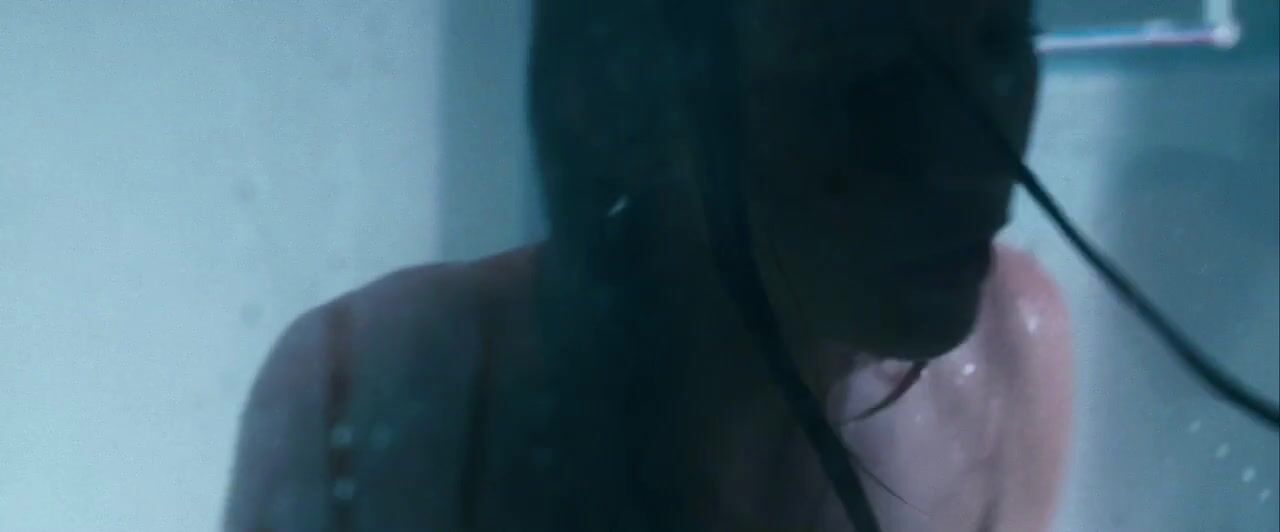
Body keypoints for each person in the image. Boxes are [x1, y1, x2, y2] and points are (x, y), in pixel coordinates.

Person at [222, 0, 1073, 530]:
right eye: (863, 80)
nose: (978, 156)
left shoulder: (1010, 354)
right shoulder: (384, 393)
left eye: (1002, 40)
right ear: (615, 102)